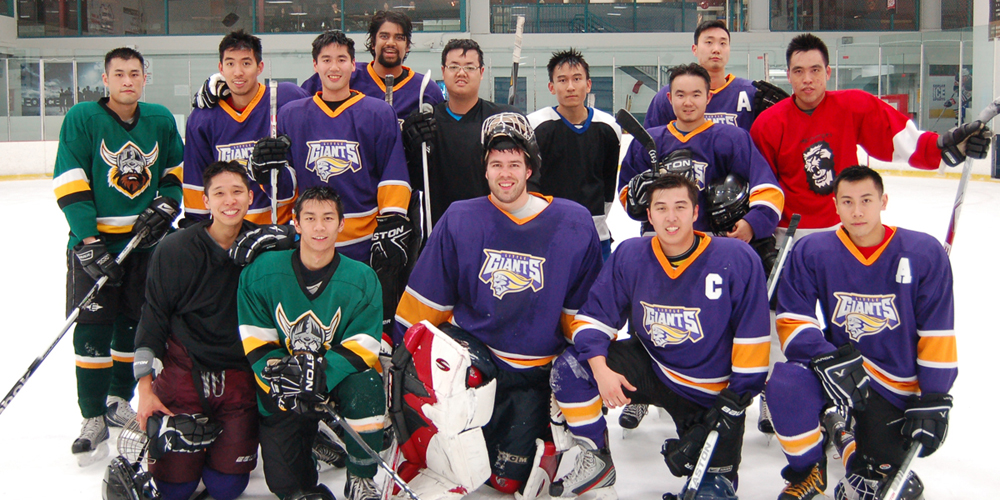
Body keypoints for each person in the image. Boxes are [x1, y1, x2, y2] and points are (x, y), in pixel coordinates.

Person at [392, 113, 603, 497]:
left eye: (514, 164)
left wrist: (585, 369)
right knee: (453, 464)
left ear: (529, 169)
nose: (505, 174)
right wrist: (399, 365)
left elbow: (582, 315)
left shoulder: (573, 223)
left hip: (532, 372)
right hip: (475, 365)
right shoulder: (461, 218)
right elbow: (425, 303)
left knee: (505, 483)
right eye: (496, 164)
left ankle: (553, 436)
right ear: (485, 170)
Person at [548, 174, 769, 498]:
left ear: (696, 212)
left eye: (680, 207)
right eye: (661, 208)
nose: (671, 217)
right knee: (570, 370)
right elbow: (594, 318)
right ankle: (596, 457)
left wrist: (735, 401)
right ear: (649, 216)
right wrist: (601, 370)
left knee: (713, 493)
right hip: (651, 368)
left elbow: (753, 338)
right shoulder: (631, 254)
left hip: (708, 392)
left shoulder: (735, 258)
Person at [767, 166, 956, 500]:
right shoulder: (813, 250)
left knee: (872, 472)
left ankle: (841, 432)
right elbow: (793, 318)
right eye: (847, 202)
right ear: (835, 206)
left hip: (895, 384)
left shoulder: (923, 252)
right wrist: (825, 357)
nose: (857, 211)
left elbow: (937, 331)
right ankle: (808, 470)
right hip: (838, 371)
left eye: (866, 200)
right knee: (785, 384)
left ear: (883, 201)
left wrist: (933, 397)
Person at [52, 47, 184, 463]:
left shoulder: (159, 119)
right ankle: (92, 415)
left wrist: (167, 204)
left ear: (145, 78)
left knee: (134, 326)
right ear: (105, 79)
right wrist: (88, 241)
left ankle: (116, 399)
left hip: (145, 247)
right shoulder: (83, 119)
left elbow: (174, 172)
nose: (128, 81)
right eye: (119, 74)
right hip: (96, 246)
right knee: (92, 330)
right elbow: (70, 179)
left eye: (135, 73)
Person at [134, 161, 287, 500]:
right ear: (205, 201)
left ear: (250, 197)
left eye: (237, 192)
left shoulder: (266, 248)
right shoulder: (174, 249)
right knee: (174, 490)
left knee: (226, 488)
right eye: (219, 193)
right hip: (184, 373)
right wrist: (145, 390)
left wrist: (288, 237)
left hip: (238, 376)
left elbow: (315, 246)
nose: (229, 201)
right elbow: (153, 317)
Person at [750, 33, 991, 239]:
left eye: (815, 70)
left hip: (847, 232)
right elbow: (762, 185)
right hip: (788, 237)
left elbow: (902, 139)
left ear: (828, 72)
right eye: (798, 71)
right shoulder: (768, 124)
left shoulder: (854, 105)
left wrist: (944, 147)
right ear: (788, 75)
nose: (807, 79)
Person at [238, 186, 386, 500]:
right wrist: (288, 379)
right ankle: (313, 437)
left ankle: (361, 476)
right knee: (288, 487)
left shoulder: (362, 278)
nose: (320, 227)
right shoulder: (261, 272)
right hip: (284, 386)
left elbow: (364, 344)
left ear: (341, 223)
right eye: (310, 218)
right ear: (296, 223)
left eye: (328, 218)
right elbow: (256, 340)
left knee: (367, 384)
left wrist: (320, 375)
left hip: (335, 382)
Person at [183, 30, 308, 226]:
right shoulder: (202, 118)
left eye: (246, 63)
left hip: (279, 228)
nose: (238, 72)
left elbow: (325, 102)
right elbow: (196, 179)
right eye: (230, 64)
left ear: (260, 67)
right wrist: (197, 227)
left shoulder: (286, 98)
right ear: (220, 68)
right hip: (229, 230)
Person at [400, 38, 520, 225]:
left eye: (470, 67)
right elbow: (415, 181)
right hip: (441, 228)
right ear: (443, 71)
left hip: (493, 227)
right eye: (454, 66)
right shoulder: (425, 124)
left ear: (481, 72)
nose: (461, 73)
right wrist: (411, 149)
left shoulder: (501, 119)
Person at [527, 48, 621, 261]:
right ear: (551, 87)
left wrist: (596, 219)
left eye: (577, 79)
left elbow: (608, 186)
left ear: (588, 84)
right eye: (562, 80)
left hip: (596, 234)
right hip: (548, 233)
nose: (570, 87)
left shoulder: (608, 127)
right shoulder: (535, 125)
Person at [644, 20, 787, 131]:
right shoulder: (671, 95)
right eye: (709, 42)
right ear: (695, 49)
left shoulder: (752, 93)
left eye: (723, 43)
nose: (716, 49)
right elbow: (650, 144)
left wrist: (786, 109)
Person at [301, 10, 443, 120]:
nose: (391, 43)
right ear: (373, 43)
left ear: (407, 46)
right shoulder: (344, 76)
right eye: (384, 36)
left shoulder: (427, 89)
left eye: (399, 37)